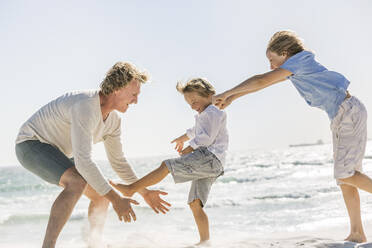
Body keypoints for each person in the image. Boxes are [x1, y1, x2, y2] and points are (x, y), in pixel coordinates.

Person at [213, 30, 369, 243]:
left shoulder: (299, 61)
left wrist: (227, 93)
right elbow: (263, 84)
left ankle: (358, 232)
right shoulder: (296, 66)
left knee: (346, 174)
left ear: (285, 53)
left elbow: (261, 80)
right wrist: (232, 98)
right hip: (343, 114)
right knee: (345, 178)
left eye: (272, 60)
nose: (271, 66)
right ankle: (357, 233)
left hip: (347, 113)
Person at [15, 62, 171, 248]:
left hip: (61, 152)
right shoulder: (85, 106)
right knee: (77, 182)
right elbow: (84, 161)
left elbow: (118, 162)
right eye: (134, 94)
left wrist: (143, 191)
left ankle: (93, 244)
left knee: (101, 194)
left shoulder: (113, 121)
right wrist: (116, 199)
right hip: (31, 143)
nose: (136, 100)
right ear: (117, 89)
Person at [110, 78, 228, 246]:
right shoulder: (204, 114)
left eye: (195, 101)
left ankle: (131, 188)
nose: (193, 106)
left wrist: (190, 147)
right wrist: (183, 138)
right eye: (189, 104)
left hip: (209, 158)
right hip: (211, 163)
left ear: (209, 95)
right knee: (195, 203)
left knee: (167, 165)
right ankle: (205, 242)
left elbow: (207, 137)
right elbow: (194, 131)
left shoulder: (214, 112)